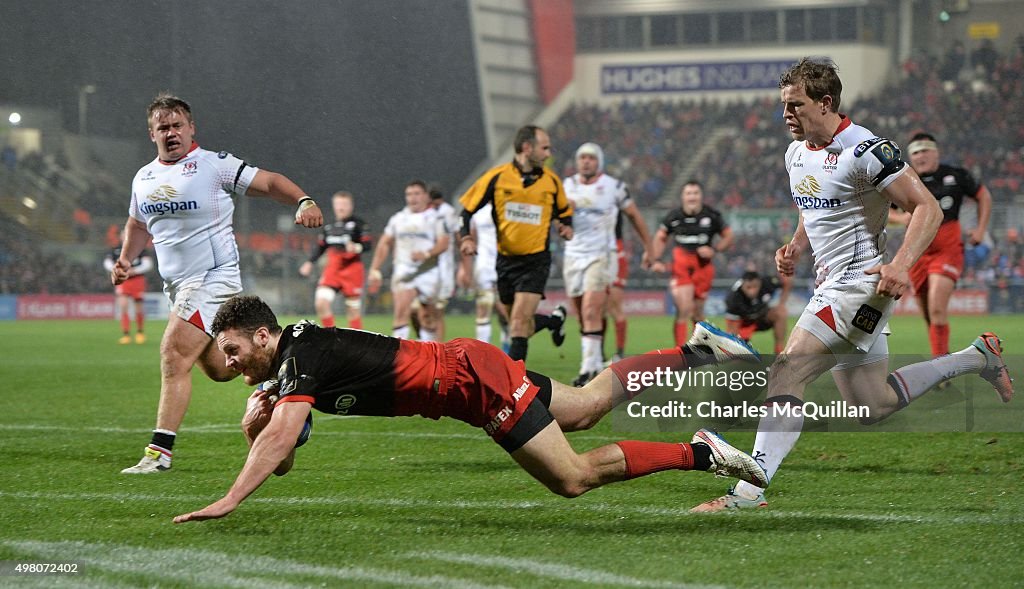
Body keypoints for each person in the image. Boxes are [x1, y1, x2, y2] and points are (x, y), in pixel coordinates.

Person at [691, 58, 1013, 512]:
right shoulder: (796, 151)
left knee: (788, 370)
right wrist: (796, 244)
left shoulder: (867, 151)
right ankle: (974, 357)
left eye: (795, 105)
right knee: (872, 405)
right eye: (783, 105)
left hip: (860, 285)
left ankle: (747, 491)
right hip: (835, 285)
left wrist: (900, 264)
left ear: (826, 103)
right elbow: (813, 203)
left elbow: (928, 209)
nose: (786, 114)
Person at [172, 295, 768, 523]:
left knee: (572, 478)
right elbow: (283, 457)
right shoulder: (293, 364)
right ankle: (697, 351)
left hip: (469, 382)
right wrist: (261, 435)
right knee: (585, 406)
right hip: (467, 370)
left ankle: (700, 451)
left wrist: (229, 498)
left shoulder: (304, 356)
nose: (229, 365)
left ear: (259, 334)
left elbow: (281, 445)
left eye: (231, 351)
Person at [113, 93, 323, 474]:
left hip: (214, 278)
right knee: (221, 368)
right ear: (152, 134)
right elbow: (137, 223)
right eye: (163, 127)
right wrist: (126, 258)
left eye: (178, 125)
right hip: (178, 286)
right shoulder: (144, 177)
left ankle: (159, 453)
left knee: (173, 353)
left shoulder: (213, 165)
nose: (171, 133)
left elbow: (269, 181)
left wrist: (302, 200)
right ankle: (278, 386)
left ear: (192, 128)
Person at [458, 125, 571, 362]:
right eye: (544, 147)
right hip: (506, 262)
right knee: (518, 326)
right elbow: (466, 211)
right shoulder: (497, 177)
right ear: (527, 147)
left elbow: (565, 212)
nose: (548, 153)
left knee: (518, 324)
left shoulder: (552, 182)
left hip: (536, 261)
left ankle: (515, 388)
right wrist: (466, 237)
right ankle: (554, 320)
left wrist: (565, 226)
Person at [889, 132, 993, 358]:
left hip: (947, 247)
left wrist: (981, 229)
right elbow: (885, 210)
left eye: (925, 150)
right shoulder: (905, 180)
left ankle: (940, 368)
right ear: (910, 157)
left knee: (937, 308)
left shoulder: (955, 175)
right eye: (915, 152)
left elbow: (983, 196)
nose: (921, 156)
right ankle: (943, 355)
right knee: (929, 314)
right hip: (916, 251)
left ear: (936, 152)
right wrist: (901, 218)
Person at [562, 142, 652, 386]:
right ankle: (593, 360)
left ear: (598, 161)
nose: (586, 162)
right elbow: (554, 217)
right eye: (582, 158)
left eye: (591, 158)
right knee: (581, 314)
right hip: (572, 255)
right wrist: (561, 222)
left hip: (602, 255)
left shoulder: (614, 187)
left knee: (592, 309)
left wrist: (649, 247)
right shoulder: (566, 186)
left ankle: (587, 370)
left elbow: (634, 215)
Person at [650, 180, 733, 347]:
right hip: (681, 264)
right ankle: (680, 351)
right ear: (683, 197)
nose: (692, 197)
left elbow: (729, 237)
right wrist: (656, 260)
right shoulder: (674, 216)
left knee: (698, 313)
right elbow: (660, 237)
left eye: (695, 193)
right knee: (685, 308)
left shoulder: (711, 215)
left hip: (703, 267)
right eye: (688, 193)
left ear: (701, 196)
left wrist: (714, 250)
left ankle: (700, 350)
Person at [367, 180, 449, 341]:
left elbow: (443, 243)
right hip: (404, 270)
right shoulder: (398, 219)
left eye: (417, 194)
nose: (413, 198)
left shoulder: (436, 218)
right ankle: (400, 359)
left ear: (426, 196)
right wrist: (375, 268)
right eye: (409, 194)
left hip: (429, 271)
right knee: (401, 311)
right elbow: (384, 243)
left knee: (428, 317)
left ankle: (429, 353)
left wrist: (426, 253)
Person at [299, 191, 372, 329]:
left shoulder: (359, 224)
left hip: (352, 269)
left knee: (352, 310)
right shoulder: (329, 227)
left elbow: (368, 245)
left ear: (351, 206)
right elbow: (321, 247)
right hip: (332, 268)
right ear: (334, 205)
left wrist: (356, 247)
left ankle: (356, 344)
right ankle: (331, 337)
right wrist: (309, 262)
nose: (341, 207)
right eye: (338, 204)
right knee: (321, 303)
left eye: (344, 204)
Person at [456, 203, 510, 345]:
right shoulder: (478, 213)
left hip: (506, 265)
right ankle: (482, 352)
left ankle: (507, 335)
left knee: (505, 311)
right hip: (484, 266)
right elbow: (468, 241)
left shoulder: (508, 208)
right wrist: (465, 269)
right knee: (483, 306)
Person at [103, 229, 153, 344]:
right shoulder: (116, 250)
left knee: (138, 307)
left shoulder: (140, 248)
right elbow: (107, 263)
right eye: (123, 235)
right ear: (121, 237)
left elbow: (148, 264)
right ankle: (126, 334)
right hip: (123, 280)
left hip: (137, 280)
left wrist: (135, 270)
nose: (125, 236)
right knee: (123, 306)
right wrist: (117, 270)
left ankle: (140, 332)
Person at [724, 270, 792, 355]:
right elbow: (732, 327)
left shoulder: (768, 282)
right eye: (748, 287)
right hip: (743, 322)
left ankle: (780, 351)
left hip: (760, 317)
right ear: (742, 285)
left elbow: (787, 281)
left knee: (780, 312)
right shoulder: (733, 298)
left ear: (760, 283)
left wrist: (781, 303)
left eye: (755, 287)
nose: (752, 291)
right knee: (734, 351)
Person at [426, 187, 460, 342]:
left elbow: (457, 238)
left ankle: (437, 347)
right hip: (428, 269)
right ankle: (428, 344)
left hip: (444, 267)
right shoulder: (426, 214)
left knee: (437, 310)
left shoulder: (448, 212)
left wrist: (464, 266)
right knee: (423, 309)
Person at [606, 213, 632, 362]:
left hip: (613, 251)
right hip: (595, 251)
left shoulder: (612, 197)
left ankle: (620, 353)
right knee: (597, 308)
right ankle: (598, 355)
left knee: (614, 307)